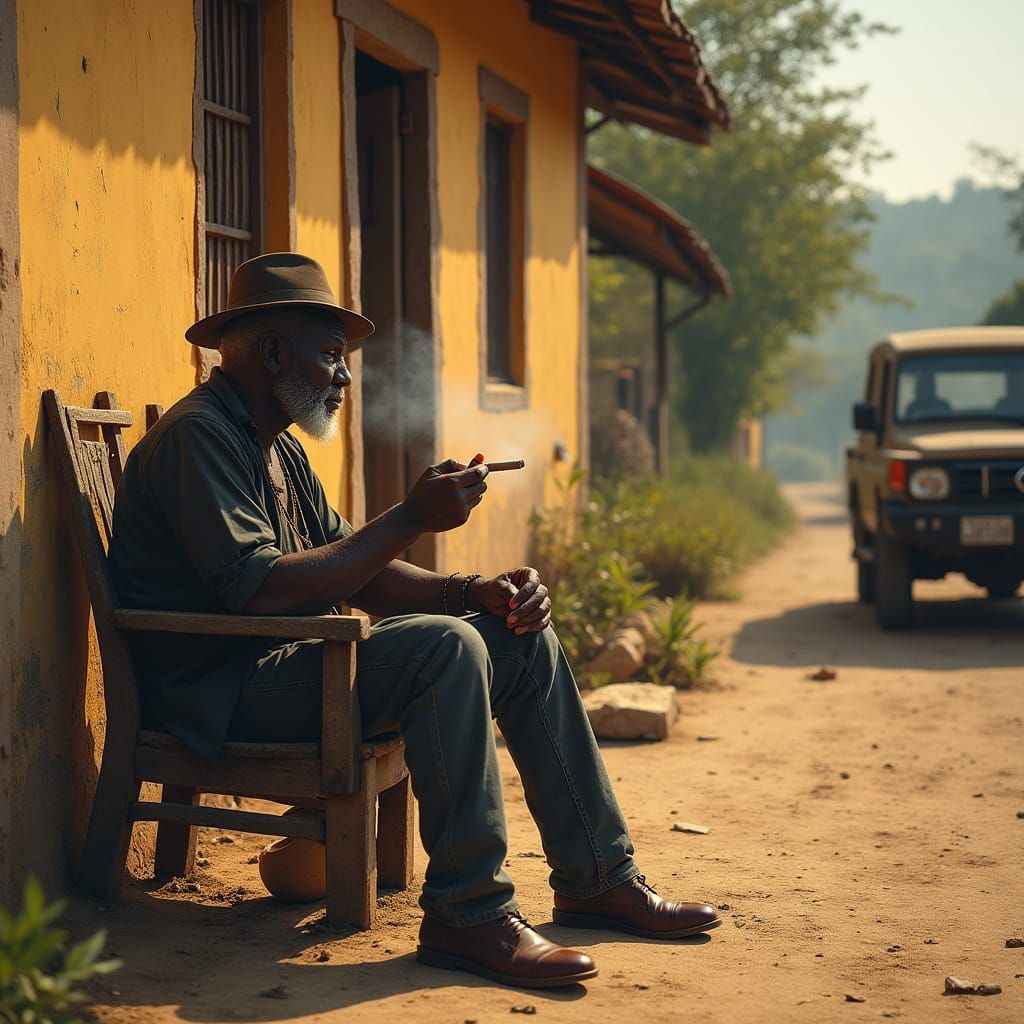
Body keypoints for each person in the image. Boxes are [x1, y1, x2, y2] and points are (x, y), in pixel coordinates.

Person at [109, 252, 720, 989]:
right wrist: (410, 516)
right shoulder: (199, 436)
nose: (344, 376)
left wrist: (476, 590)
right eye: (331, 355)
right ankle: (470, 913)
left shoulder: (276, 450)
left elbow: (360, 571)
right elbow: (260, 594)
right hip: (220, 690)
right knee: (446, 650)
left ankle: (597, 872)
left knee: (521, 639)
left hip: (288, 665)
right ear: (272, 352)